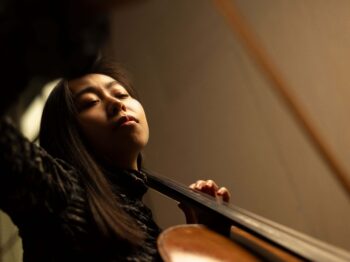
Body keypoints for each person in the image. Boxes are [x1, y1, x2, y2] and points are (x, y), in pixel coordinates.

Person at [0, 59, 230, 261]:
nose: (116, 103)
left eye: (121, 94)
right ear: (67, 133)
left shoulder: (148, 226)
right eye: (90, 102)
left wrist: (208, 241)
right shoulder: (60, 191)